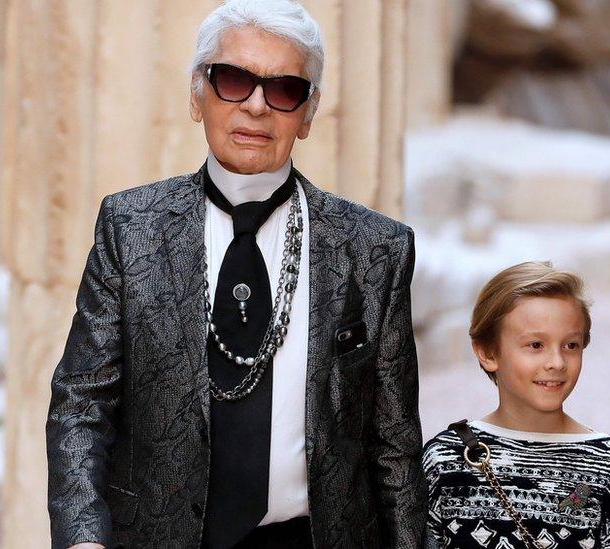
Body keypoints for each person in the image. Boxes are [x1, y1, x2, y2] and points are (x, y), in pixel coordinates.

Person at [45, 1, 426, 547]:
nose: (255, 107)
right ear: (197, 96)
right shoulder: (130, 228)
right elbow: (82, 401)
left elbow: (394, 443)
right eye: (233, 80)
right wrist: (83, 537)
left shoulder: (374, 249)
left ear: (309, 114)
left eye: (284, 90)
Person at [422, 262, 610, 549]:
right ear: (487, 351)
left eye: (570, 345)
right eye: (535, 345)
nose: (556, 362)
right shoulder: (445, 459)